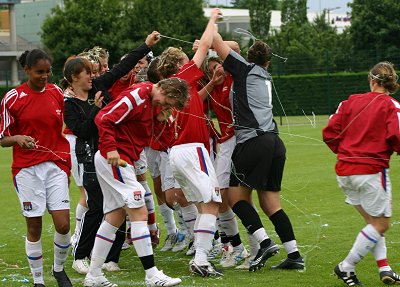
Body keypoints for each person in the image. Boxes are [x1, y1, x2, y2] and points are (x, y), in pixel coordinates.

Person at [63, 31, 161, 276]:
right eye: (88, 74)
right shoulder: (70, 104)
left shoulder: (98, 85)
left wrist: (145, 45)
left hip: (112, 154)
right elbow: (84, 131)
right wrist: (97, 108)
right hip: (90, 158)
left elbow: (121, 68)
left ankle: (110, 259)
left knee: (119, 206)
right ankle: (81, 255)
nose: (93, 77)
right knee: (97, 207)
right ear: (75, 78)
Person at [211, 33, 304, 271]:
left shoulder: (243, 70)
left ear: (247, 58)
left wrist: (212, 21)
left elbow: (216, 38)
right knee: (271, 204)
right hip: (274, 142)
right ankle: (294, 255)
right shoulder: (265, 74)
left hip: (253, 143)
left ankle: (264, 242)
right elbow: (228, 48)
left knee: (235, 199)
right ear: (268, 62)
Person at [84, 77, 188, 287]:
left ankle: (93, 275)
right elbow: (103, 118)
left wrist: (160, 119)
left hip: (122, 159)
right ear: (163, 88)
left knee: (114, 216)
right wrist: (110, 148)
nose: (165, 106)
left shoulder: (152, 103)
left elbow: (151, 136)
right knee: (139, 212)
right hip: (115, 159)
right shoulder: (138, 95)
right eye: (166, 102)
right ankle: (152, 275)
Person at [157, 8, 223, 277]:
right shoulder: (182, 77)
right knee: (212, 202)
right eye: (185, 58)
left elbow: (195, 102)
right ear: (178, 65)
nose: (190, 59)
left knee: (201, 204)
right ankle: (202, 257)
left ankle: (203, 253)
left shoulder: (172, 89)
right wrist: (212, 20)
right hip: (192, 150)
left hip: (178, 153)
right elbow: (206, 45)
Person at [323, 61, 400, 286]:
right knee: (381, 224)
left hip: (345, 171)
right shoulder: (392, 106)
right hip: (370, 172)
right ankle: (346, 267)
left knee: (372, 223)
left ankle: (384, 268)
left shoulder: (349, 102)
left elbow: (330, 132)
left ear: (372, 80)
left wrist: (346, 152)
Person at [0, 49, 73, 287]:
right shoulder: (12, 98)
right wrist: (18, 137)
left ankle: (59, 269)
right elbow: (2, 137)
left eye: (48, 71)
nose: (45, 76)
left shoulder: (57, 92)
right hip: (27, 170)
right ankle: (38, 280)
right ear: (27, 70)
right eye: (39, 72)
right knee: (34, 224)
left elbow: (65, 123)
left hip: (56, 166)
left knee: (63, 224)